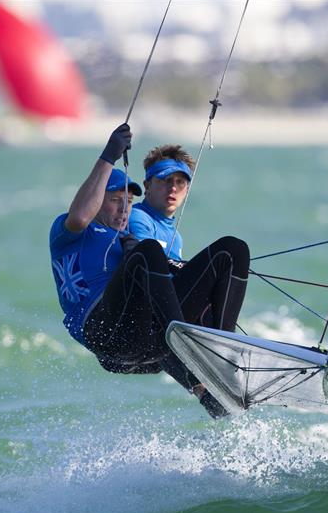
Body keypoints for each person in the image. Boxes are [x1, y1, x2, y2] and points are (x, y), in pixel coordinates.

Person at [48, 124, 250, 418]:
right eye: (115, 200)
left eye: (129, 202)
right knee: (149, 251)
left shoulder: (124, 239)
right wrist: (109, 155)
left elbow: (165, 290)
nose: (125, 209)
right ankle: (194, 365)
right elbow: (80, 215)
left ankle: (215, 370)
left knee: (231, 250)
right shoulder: (70, 233)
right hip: (106, 333)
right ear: (96, 201)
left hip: (148, 342)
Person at [128, 144, 194, 261]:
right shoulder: (137, 217)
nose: (173, 188)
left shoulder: (177, 237)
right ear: (147, 186)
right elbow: (146, 265)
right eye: (166, 180)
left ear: (187, 190)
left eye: (180, 182)